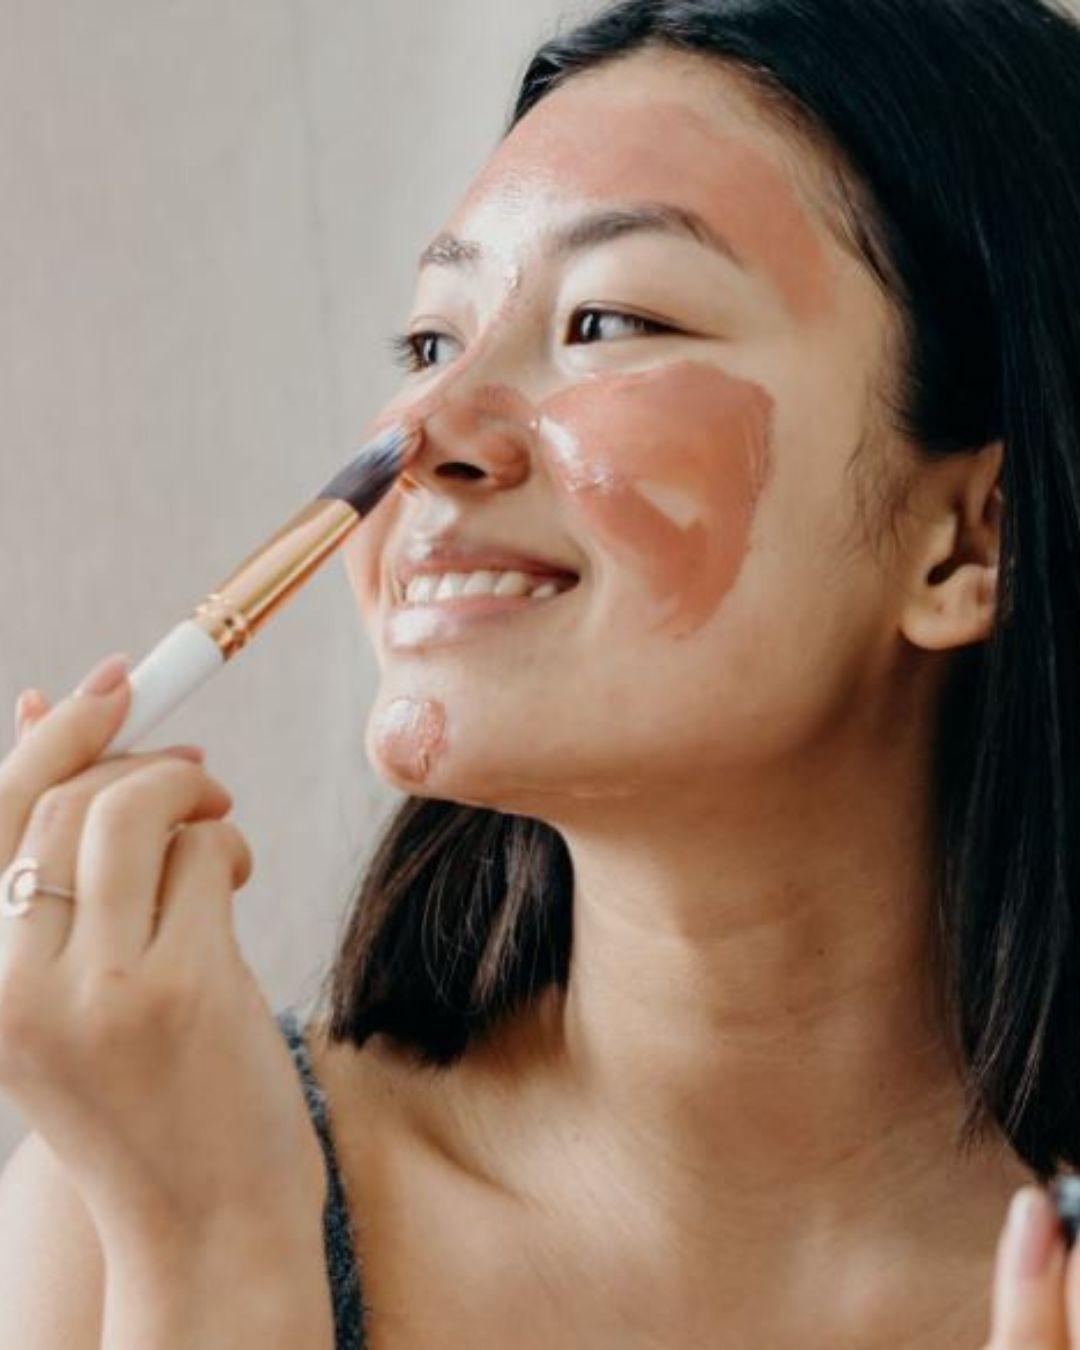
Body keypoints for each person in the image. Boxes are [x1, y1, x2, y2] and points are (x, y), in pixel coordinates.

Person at [2, 0, 1080, 1345]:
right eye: (429, 344)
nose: (428, 431)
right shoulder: (122, 1207)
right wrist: (214, 1249)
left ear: (972, 538)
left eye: (613, 319)